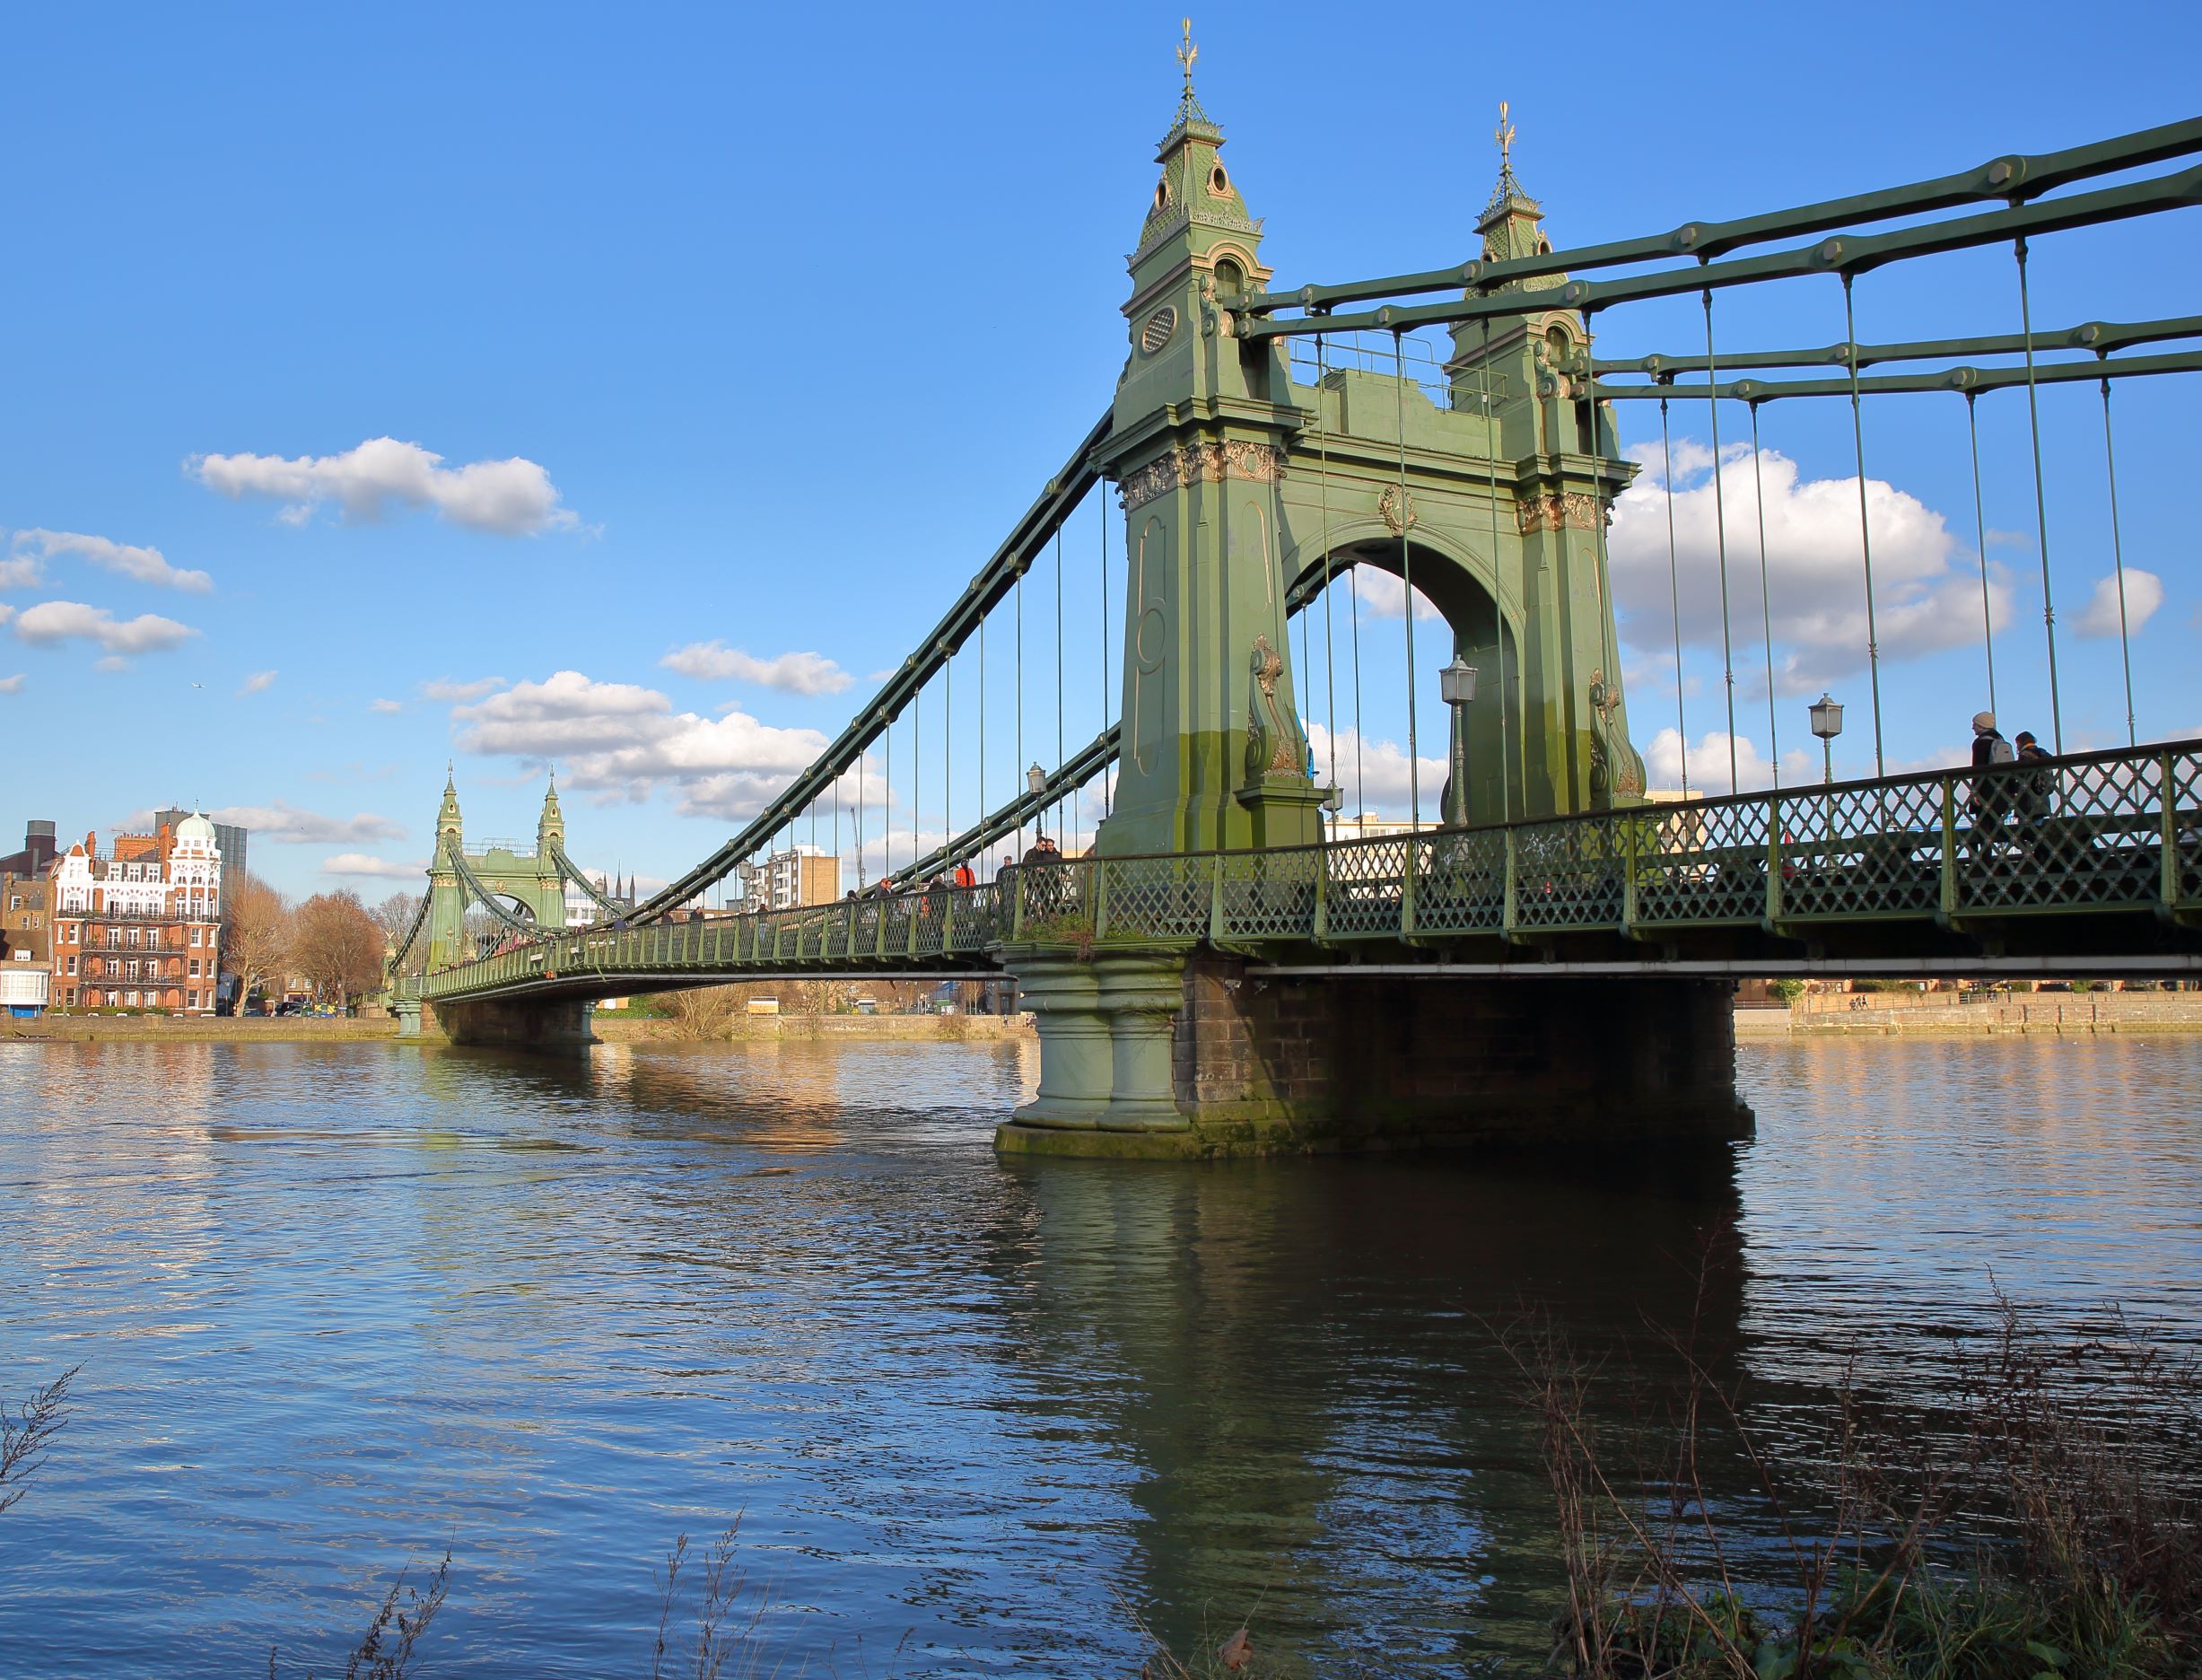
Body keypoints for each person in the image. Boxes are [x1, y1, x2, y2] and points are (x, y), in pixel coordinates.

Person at [1968, 710, 2014, 862]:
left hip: (1986, 792)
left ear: (1982, 725)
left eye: (1975, 724)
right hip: (2001, 791)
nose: (1973, 728)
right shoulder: (2000, 740)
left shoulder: (1980, 743)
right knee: (1997, 825)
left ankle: (1985, 861)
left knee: (1984, 828)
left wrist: (1975, 792)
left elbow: (1978, 769)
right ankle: (2005, 855)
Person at [2014, 730, 2056, 858]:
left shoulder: (2025, 755)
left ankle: (2041, 858)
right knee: (2037, 832)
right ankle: (2044, 858)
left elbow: (2021, 778)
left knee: (2024, 833)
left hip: (2028, 802)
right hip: (2043, 800)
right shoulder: (2043, 755)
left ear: (2020, 742)